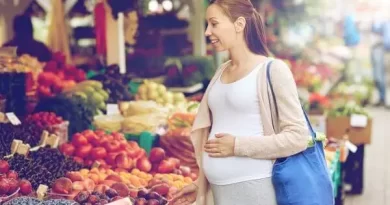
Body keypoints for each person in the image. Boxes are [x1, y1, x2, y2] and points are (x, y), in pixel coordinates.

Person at [171, 0, 309, 205]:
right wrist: (200, 184)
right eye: (207, 25)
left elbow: (298, 137)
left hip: (255, 189)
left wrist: (237, 145)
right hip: (218, 192)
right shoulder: (221, 71)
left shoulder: (272, 70)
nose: (208, 32)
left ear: (239, 24)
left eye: (214, 24)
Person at [372, 18, 390, 107]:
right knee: (382, 76)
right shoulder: (385, 23)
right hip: (385, 51)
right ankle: (382, 99)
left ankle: (384, 99)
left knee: (384, 77)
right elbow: (375, 28)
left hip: (385, 51)